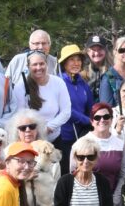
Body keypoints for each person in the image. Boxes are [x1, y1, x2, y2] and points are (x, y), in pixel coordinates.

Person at [51, 136, 118, 206]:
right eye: (81, 157)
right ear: (75, 158)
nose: (85, 161)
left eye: (90, 157)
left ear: (96, 158)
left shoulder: (102, 182)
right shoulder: (65, 182)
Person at [10, 51, 71, 157]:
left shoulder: (58, 82)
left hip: (54, 139)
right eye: (34, 64)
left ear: (46, 64)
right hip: (31, 142)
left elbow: (66, 111)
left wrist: (49, 127)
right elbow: (20, 115)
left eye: (41, 64)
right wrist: (37, 131)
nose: (39, 67)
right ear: (28, 66)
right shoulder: (21, 87)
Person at [84, 103, 125, 206]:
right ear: (91, 121)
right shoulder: (82, 143)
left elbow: (124, 174)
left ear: (111, 120)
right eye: (97, 117)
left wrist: (115, 199)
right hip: (87, 201)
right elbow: (75, 173)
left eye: (106, 117)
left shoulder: (120, 144)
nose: (102, 120)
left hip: (114, 201)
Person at [57, 45, 93, 174]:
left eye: (78, 60)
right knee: (67, 172)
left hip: (82, 135)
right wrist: (87, 121)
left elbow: (90, 106)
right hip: (65, 136)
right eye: (71, 60)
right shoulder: (59, 82)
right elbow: (67, 110)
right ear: (64, 63)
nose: (76, 63)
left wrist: (94, 119)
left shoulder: (82, 83)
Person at [84, 35, 112, 102]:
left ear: (105, 50)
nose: (96, 53)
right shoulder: (82, 73)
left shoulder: (113, 71)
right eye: (93, 50)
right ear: (88, 51)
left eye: (100, 49)